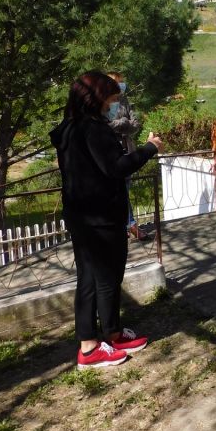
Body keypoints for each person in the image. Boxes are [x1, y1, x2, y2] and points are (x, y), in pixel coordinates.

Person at [50, 71, 164, 370]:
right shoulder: (93, 129)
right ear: (98, 98)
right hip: (100, 218)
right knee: (106, 278)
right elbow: (116, 168)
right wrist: (149, 148)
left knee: (92, 279)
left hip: (81, 215)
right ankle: (91, 348)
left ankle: (109, 335)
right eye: (113, 99)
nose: (115, 104)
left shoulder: (70, 128)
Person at [106, 71, 149, 241]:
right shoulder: (102, 102)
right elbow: (105, 125)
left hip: (127, 150)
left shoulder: (124, 100)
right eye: (117, 82)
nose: (121, 85)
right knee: (119, 191)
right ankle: (130, 225)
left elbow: (136, 123)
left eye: (122, 82)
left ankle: (125, 225)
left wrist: (122, 125)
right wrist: (124, 124)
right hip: (110, 151)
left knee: (124, 190)